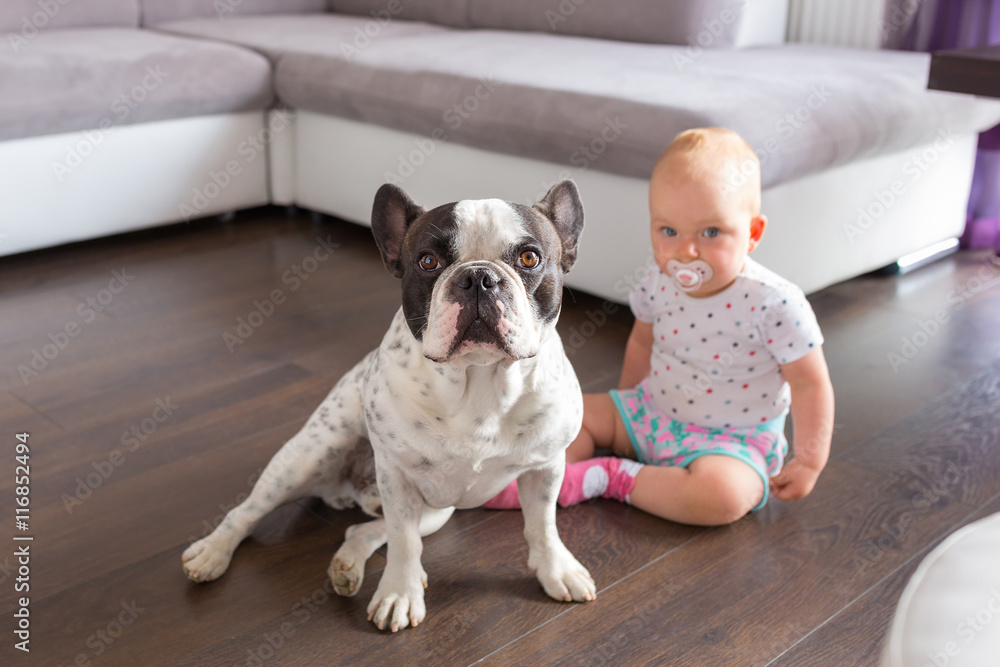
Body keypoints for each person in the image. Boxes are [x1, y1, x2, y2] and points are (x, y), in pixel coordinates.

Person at [485, 127, 835, 526]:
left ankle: (611, 478)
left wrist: (809, 459)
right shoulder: (657, 278)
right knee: (564, 414)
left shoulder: (776, 303)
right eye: (669, 231)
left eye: (711, 232)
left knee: (722, 497)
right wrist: (626, 405)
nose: (686, 251)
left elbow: (811, 384)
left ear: (752, 233)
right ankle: (524, 474)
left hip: (729, 443)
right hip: (649, 412)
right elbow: (641, 342)